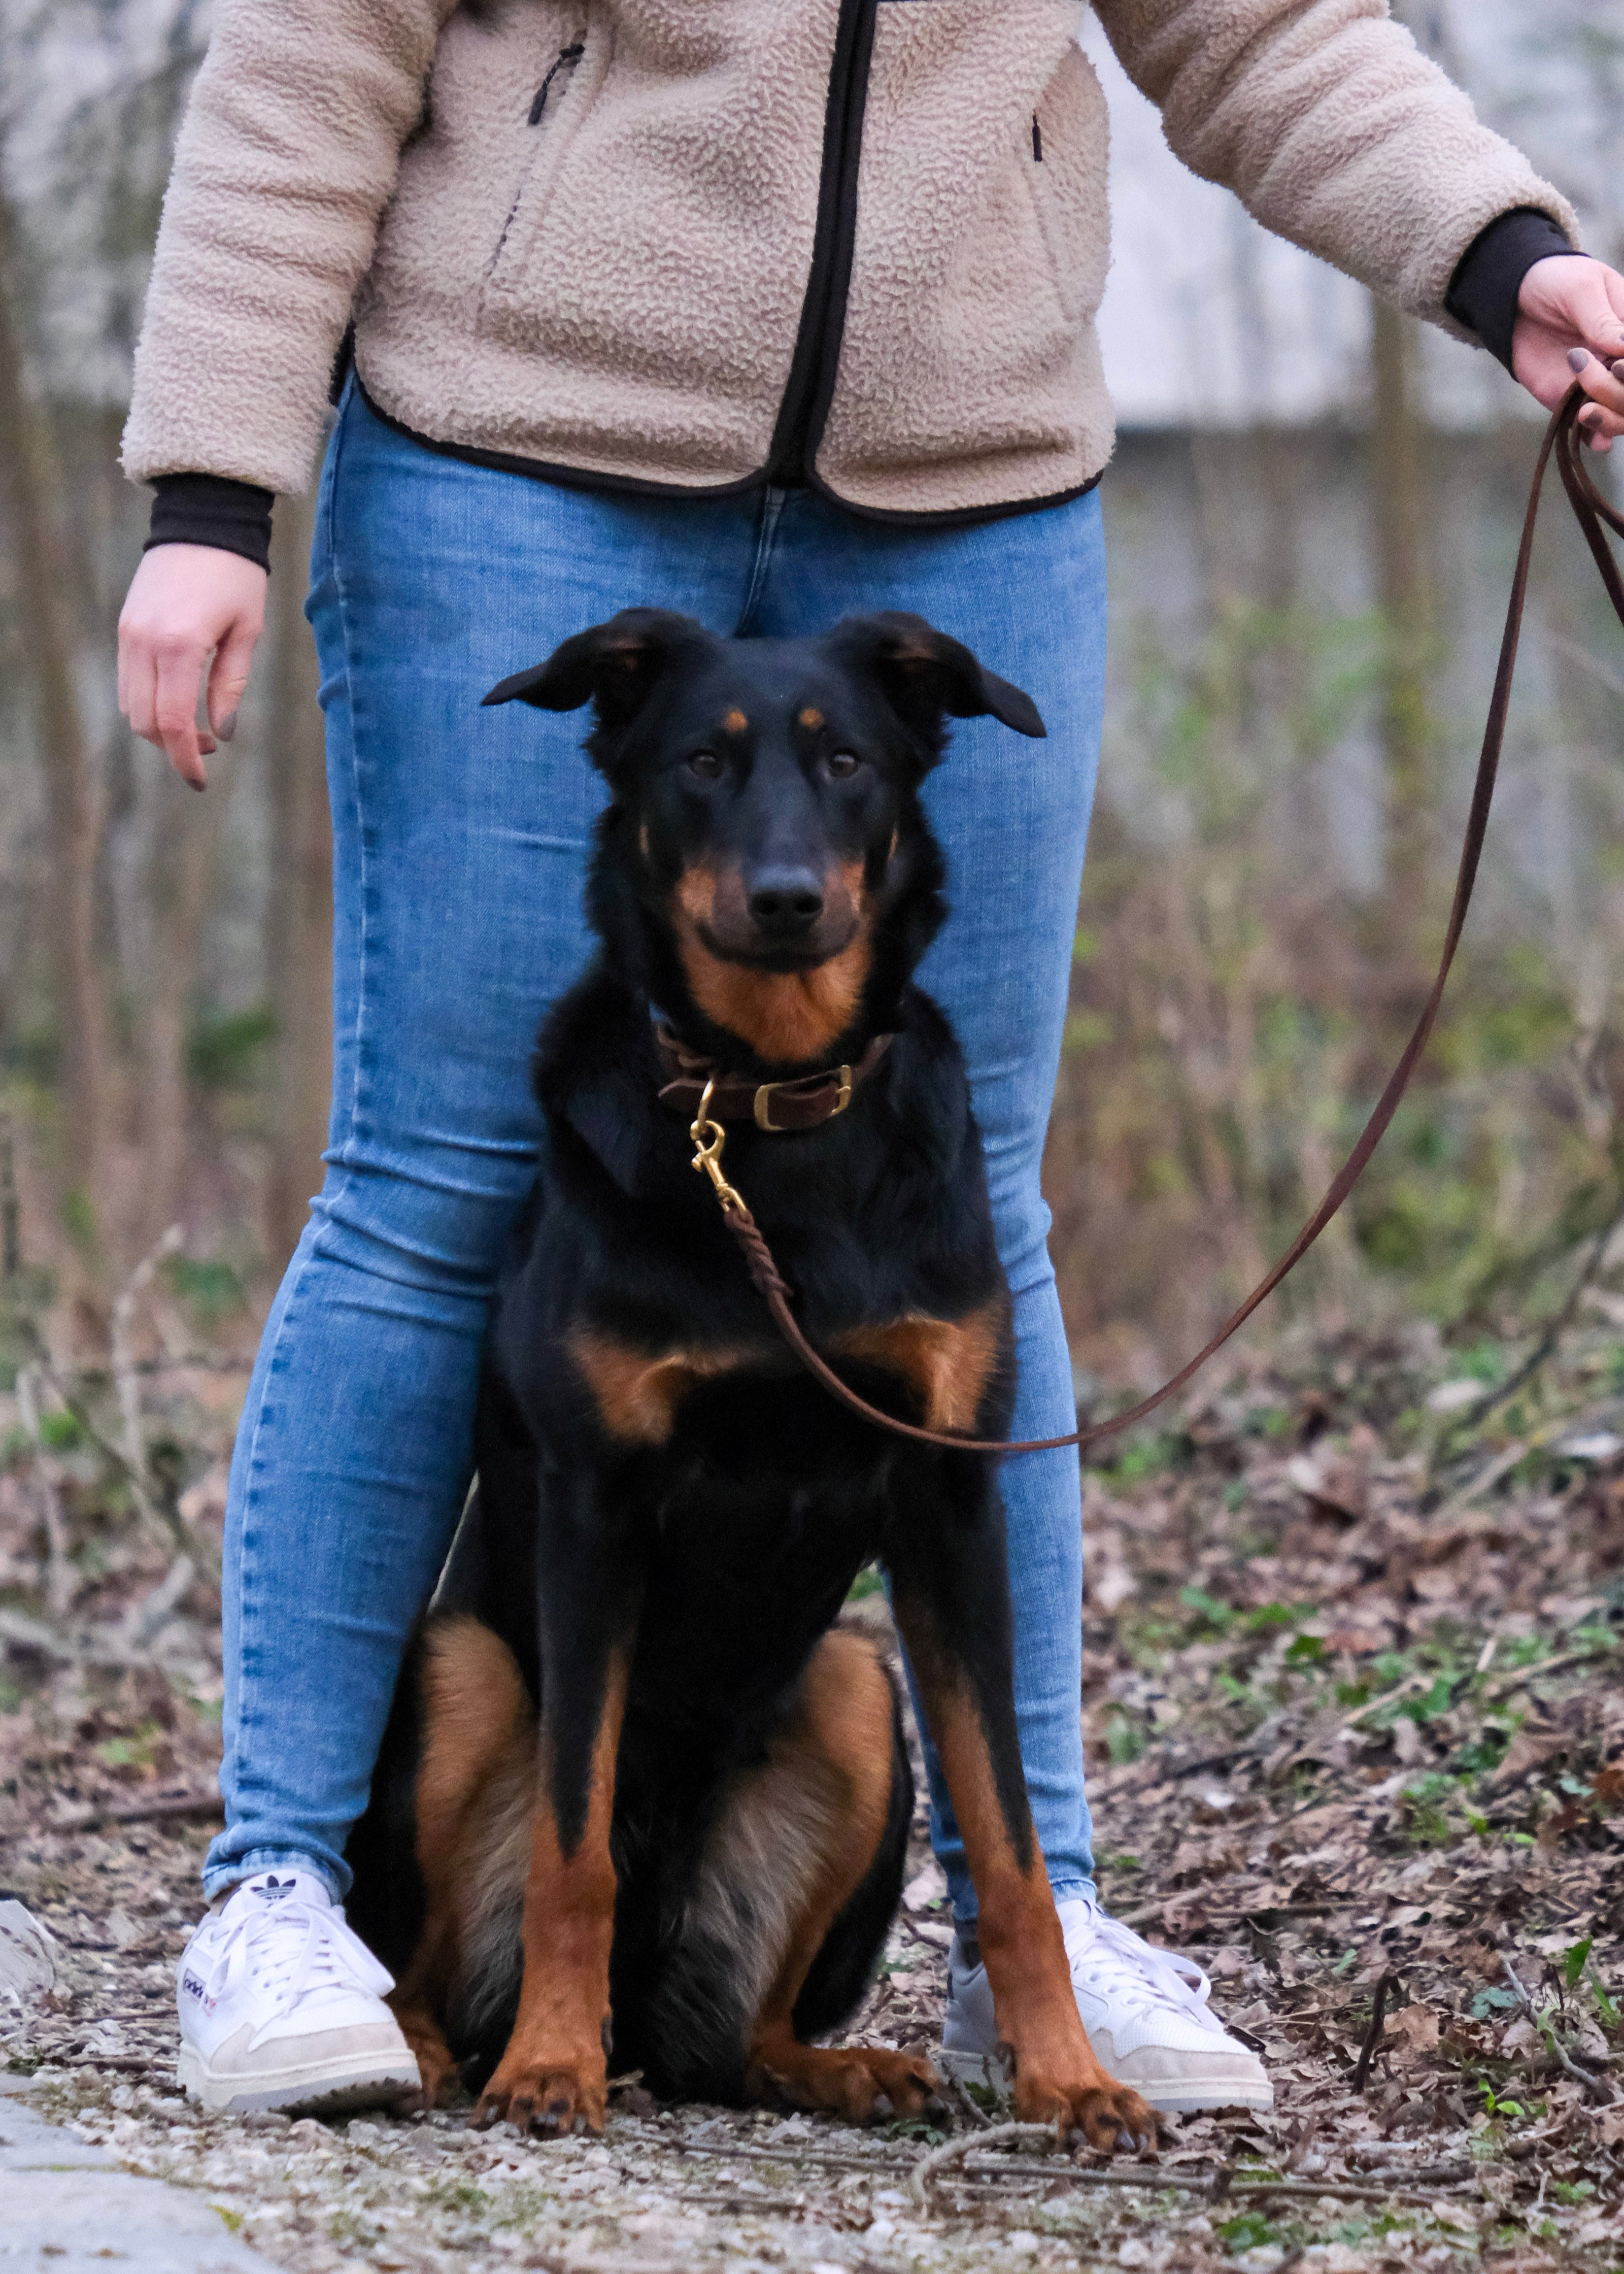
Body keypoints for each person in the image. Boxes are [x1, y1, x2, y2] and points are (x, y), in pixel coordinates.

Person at [119, 0, 1624, 2122]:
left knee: (971, 1191)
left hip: (965, 482)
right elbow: (311, 54)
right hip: (517, 456)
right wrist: (209, 490)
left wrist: (1499, 253)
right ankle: (281, 1885)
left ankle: (1053, 1908)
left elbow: (1259, 26)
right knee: (436, 1176)